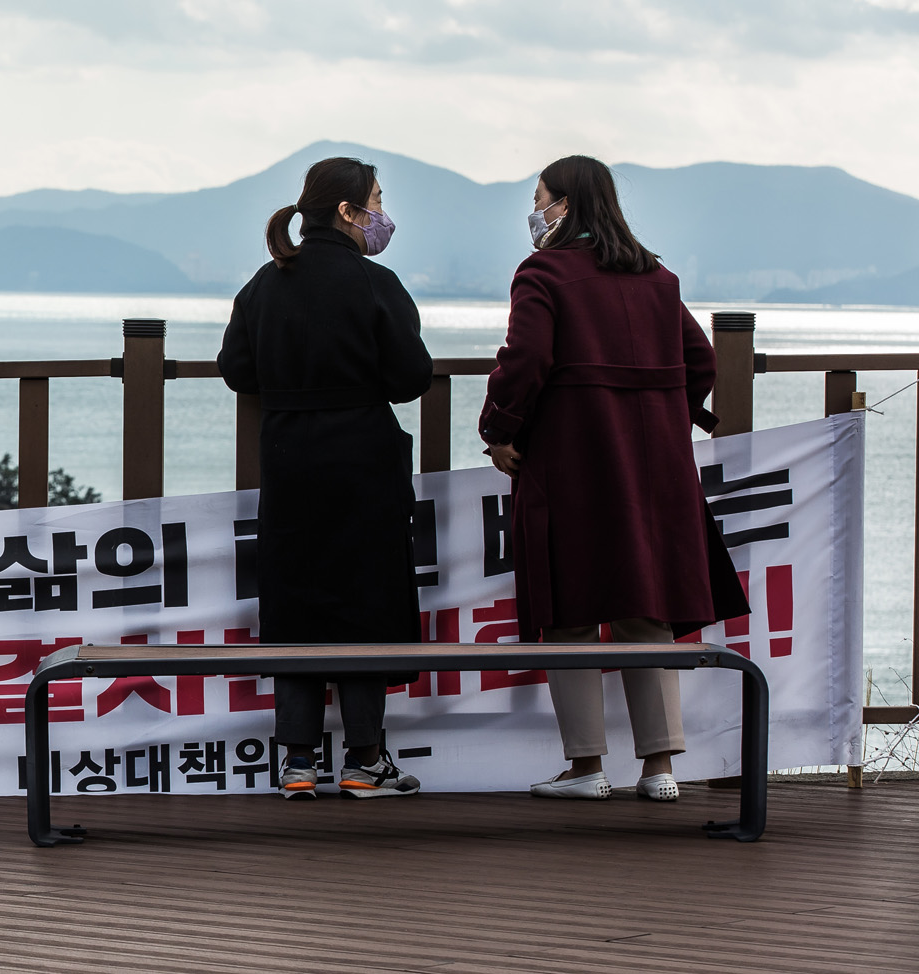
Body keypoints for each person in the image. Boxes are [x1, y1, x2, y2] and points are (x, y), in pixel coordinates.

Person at [480, 155, 750, 802]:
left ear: (563, 205)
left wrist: (500, 429)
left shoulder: (542, 273)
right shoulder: (655, 275)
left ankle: (585, 767)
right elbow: (700, 359)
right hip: (656, 467)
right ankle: (660, 769)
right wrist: (669, 415)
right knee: (645, 607)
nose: (536, 210)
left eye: (540, 198)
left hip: (570, 461)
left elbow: (526, 359)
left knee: (568, 608)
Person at [218, 156, 433, 800]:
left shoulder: (265, 282)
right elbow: (410, 378)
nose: (380, 212)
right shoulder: (375, 282)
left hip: (288, 454)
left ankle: (297, 762)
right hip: (364, 456)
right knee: (367, 597)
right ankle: (366, 760)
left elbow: (236, 368)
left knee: (296, 598)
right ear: (346, 211)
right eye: (374, 200)